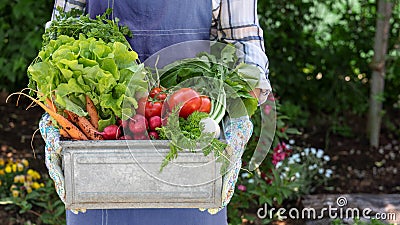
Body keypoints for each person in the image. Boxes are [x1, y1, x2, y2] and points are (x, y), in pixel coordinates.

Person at [41, 0, 272, 224]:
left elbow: (243, 38)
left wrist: (238, 116)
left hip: (192, 146)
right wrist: (58, 113)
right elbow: (60, 33)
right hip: (102, 142)